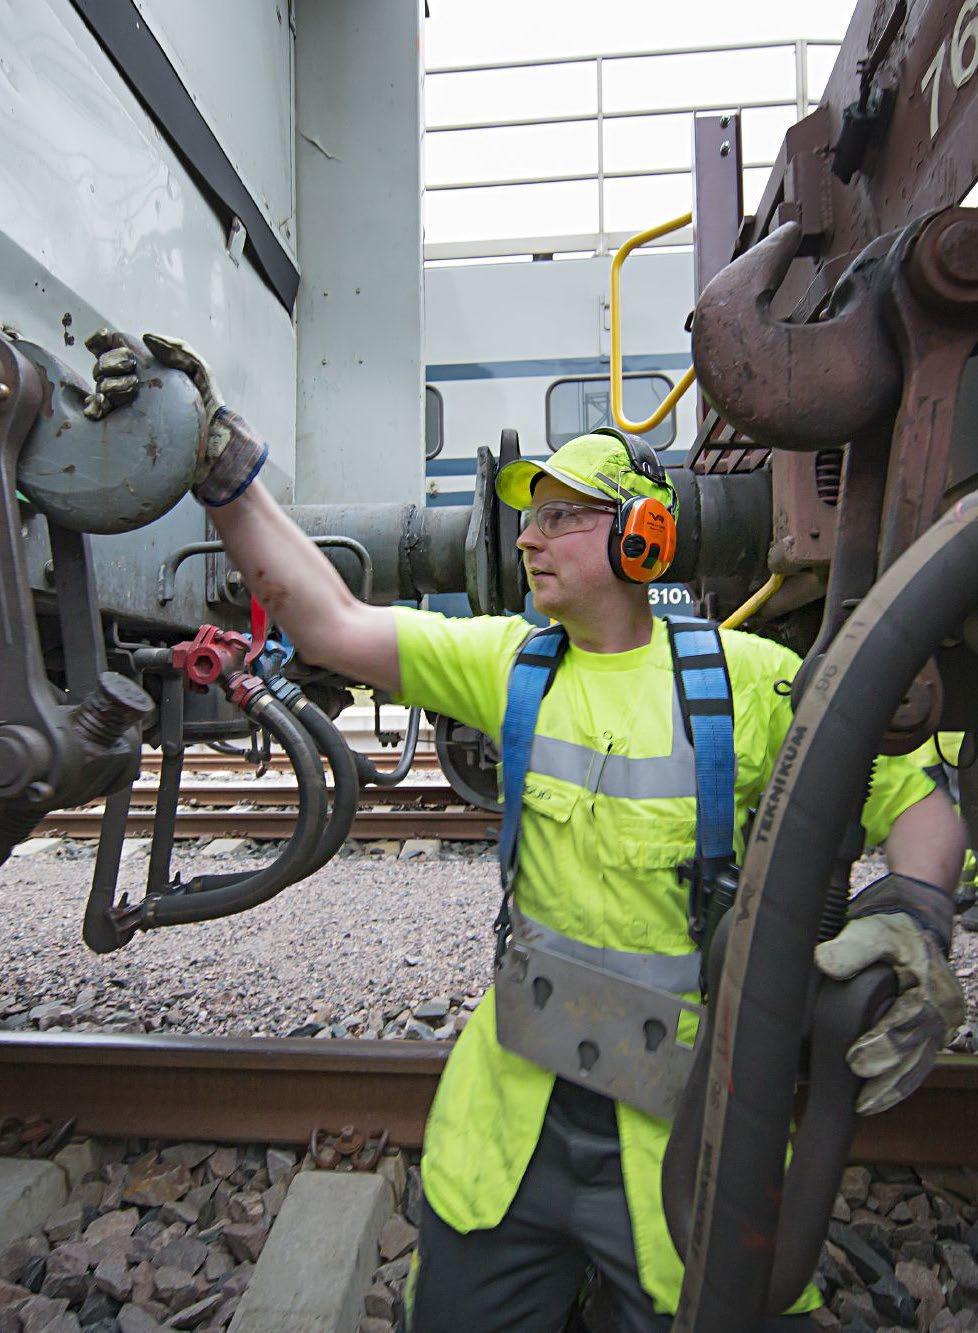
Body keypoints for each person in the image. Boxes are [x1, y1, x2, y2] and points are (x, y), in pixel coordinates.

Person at [86, 335, 966, 1332]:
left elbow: (909, 787)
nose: (530, 539)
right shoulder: (511, 663)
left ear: (642, 534)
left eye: (560, 516)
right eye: (528, 517)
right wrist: (221, 466)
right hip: (516, 1118)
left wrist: (916, 912)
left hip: (680, 1136)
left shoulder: (744, 677)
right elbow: (327, 620)